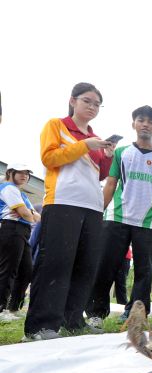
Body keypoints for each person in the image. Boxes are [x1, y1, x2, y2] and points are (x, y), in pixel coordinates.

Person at [24, 83, 115, 341]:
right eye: (87, 101)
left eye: (97, 104)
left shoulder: (94, 137)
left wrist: (107, 155)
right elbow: (49, 158)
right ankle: (41, 325)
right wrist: (86, 145)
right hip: (63, 201)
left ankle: (73, 320)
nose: (92, 107)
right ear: (73, 101)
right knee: (56, 263)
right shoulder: (57, 125)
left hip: (93, 206)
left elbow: (101, 174)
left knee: (85, 265)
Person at [86, 105, 152, 325]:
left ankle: (137, 315)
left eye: (150, 122)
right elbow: (111, 183)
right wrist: (99, 211)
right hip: (117, 216)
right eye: (141, 120)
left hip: (148, 221)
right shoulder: (122, 152)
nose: (145, 124)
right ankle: (96, 314)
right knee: (106, 265)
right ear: (133, 124)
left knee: (144, 270)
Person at [0, 164, 40, 321]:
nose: (25, 176)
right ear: (11, 172)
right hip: (11, 229)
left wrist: (28, 214)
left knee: (26, 271)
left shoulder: (20, 193)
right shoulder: (8, 188)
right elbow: (27, 214)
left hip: (22, 231)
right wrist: (29, 214)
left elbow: (36, 217)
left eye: (27, 173)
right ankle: (1, 309)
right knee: (8, 270)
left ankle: (13, 308)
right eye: (20, 172)